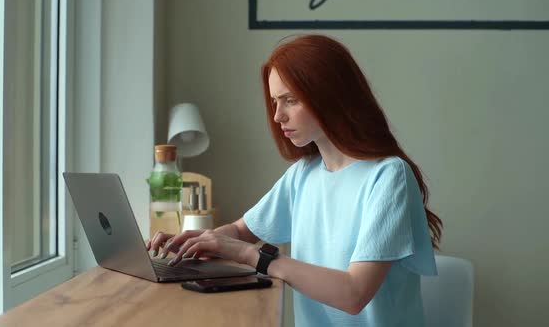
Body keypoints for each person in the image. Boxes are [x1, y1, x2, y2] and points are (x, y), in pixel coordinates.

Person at [146, 34, 443, 327]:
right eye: (275, 101)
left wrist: (255, 257)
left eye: (290, 101)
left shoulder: (388, 176)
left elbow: (354, 294)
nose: (277, 116)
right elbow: (240, 230)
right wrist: (190, 245)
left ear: (331, 97)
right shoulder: (304, 174)